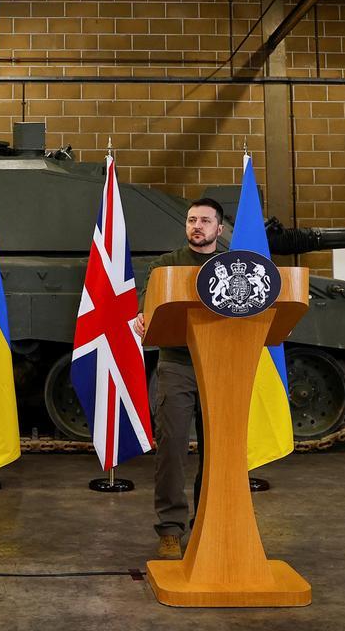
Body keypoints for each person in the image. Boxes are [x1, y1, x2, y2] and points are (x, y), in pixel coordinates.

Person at [133, 197, 224, 560]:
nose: (196, 226)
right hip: (177, 365)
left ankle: (210, 521)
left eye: (204, 220)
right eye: (191, 220)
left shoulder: (234, 267)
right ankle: (171, 529)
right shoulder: (166, 266)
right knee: (171, 448)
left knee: (218, 451)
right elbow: (149, 303)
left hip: (223, 367)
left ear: (219, 228)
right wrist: (144, 313)